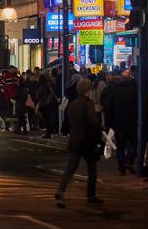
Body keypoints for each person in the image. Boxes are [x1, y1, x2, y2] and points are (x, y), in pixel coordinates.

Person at [55, 78, 103, 208]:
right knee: (92, 169)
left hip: (75, 139)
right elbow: (93, 122)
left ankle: (61, 190)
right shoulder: (88, 104)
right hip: (87, 140)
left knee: (70, 169)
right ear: (88, 91)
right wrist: (100, 128)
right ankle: (91, 195)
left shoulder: (73, 104)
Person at [102, 72, 137, 176]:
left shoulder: (113, 91)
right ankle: (129, 161)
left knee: (120, 145)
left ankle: (122, 166)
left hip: (118, 122)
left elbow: (109, 108)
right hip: (131, 122)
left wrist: (109, 123)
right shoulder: (133, 91)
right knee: (134, 143)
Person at [36, 74, 58, 138]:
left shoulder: (42, 86)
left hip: (44, 104)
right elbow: (53, 93)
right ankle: (50, 132)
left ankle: (48, 133)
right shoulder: (48, 85)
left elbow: (38, 96)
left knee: (46, 119)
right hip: (50, 103)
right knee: (50, 118)